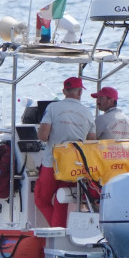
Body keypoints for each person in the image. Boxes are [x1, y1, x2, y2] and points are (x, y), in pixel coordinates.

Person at [35, 76, 97, 228]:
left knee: (41, 200)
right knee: (61, 201)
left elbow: (43, 136)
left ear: (64, 91)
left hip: (52, 163)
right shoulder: (87, 113)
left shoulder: (52, 108)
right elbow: (92, 143)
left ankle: (58, 233)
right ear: (80, 92)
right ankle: (62, 234)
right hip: (74, 166)